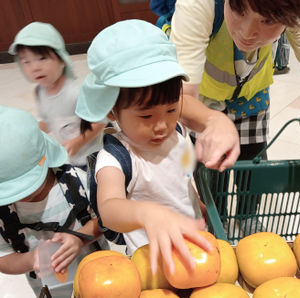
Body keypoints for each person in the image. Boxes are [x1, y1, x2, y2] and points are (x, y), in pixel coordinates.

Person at [75, 19, 215, 275]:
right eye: (146, 116)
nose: (162, 125)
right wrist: (147, 213)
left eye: (171, 109)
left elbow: (179, 180)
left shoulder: (179, 132)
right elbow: (109, 209)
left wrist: (196, 206)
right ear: (112, 111)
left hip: (195, 245)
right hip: (152, 263)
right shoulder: (115, 159)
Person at [170, 0, 300, 158]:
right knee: (209, 172)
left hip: (252, 96)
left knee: (252, 170)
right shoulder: (198, 3)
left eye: (267, 20)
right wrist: (211, 120)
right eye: (238, 10)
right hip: (201, 100)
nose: (247, 33)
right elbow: (180, 95)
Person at [0, 106, 108, 297]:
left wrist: (79, 239)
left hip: (101, 280)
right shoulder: (4, 215)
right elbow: (4, 258)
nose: (19, 196)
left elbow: (106, 219)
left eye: (28, 185)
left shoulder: (77, 182)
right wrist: (30, 259)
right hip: (51, 292)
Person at [8, 21, 107, 169]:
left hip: (94, 156)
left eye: (42, 58)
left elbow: (100, 122)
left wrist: (78, 141)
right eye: (26, 61)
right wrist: (32, 138)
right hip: (72, 157)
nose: (35, 67)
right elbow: (45, 121)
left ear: (62, 59)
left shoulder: (75, 92)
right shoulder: (40, 91)